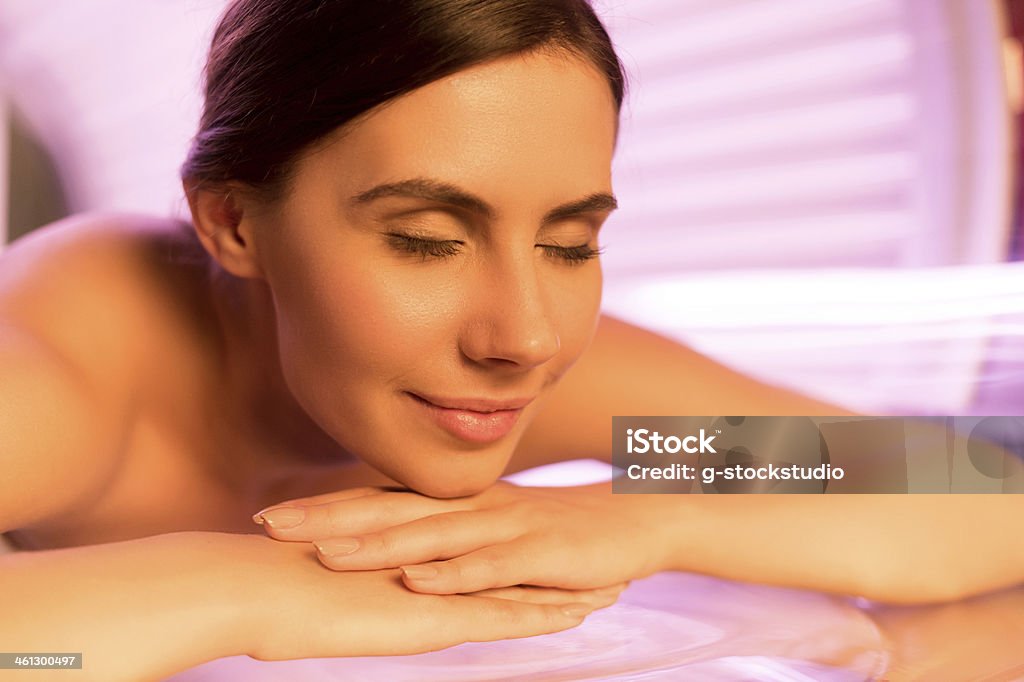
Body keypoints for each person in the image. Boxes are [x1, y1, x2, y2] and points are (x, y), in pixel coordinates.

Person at [1, 1, 1021, 680]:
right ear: (232, 222)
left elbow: (972, 485)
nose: (527, 336)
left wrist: (645, 507)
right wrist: (247, 585)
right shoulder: (57, 387)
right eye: (426, 241)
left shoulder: (509, 365)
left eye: (570, 242)